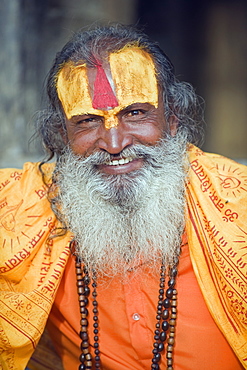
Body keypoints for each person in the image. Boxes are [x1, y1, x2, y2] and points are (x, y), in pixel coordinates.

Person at [0, 24, 246, 370]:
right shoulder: (26, 208)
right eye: (87, 121)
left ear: (172, 118)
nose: (114, 145)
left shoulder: (239, 206)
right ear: (60, 135)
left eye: (135, 113)